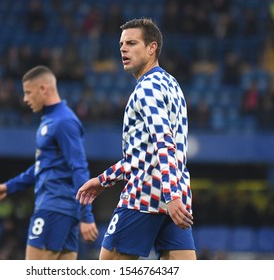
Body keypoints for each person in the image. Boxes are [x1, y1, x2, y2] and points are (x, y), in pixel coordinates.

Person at [77, 18, 196, 260]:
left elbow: (164, 143)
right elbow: (145, 154)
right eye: (121, 44)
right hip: (175, 197)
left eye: (131, 43)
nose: (123, 49)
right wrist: (104, 180)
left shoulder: (147, 89)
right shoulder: (171, 84)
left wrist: (170, 195)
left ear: (152, 48)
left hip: (145, 196)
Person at [0, 65, 98, 260]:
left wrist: (86, 214)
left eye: (28, 92)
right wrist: (9, 187)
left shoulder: (63, 121)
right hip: (63, 211)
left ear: (43, 89)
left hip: (53, 208)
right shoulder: (51, 119)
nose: (25, 99)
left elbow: (79, 167)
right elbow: (42, 167)